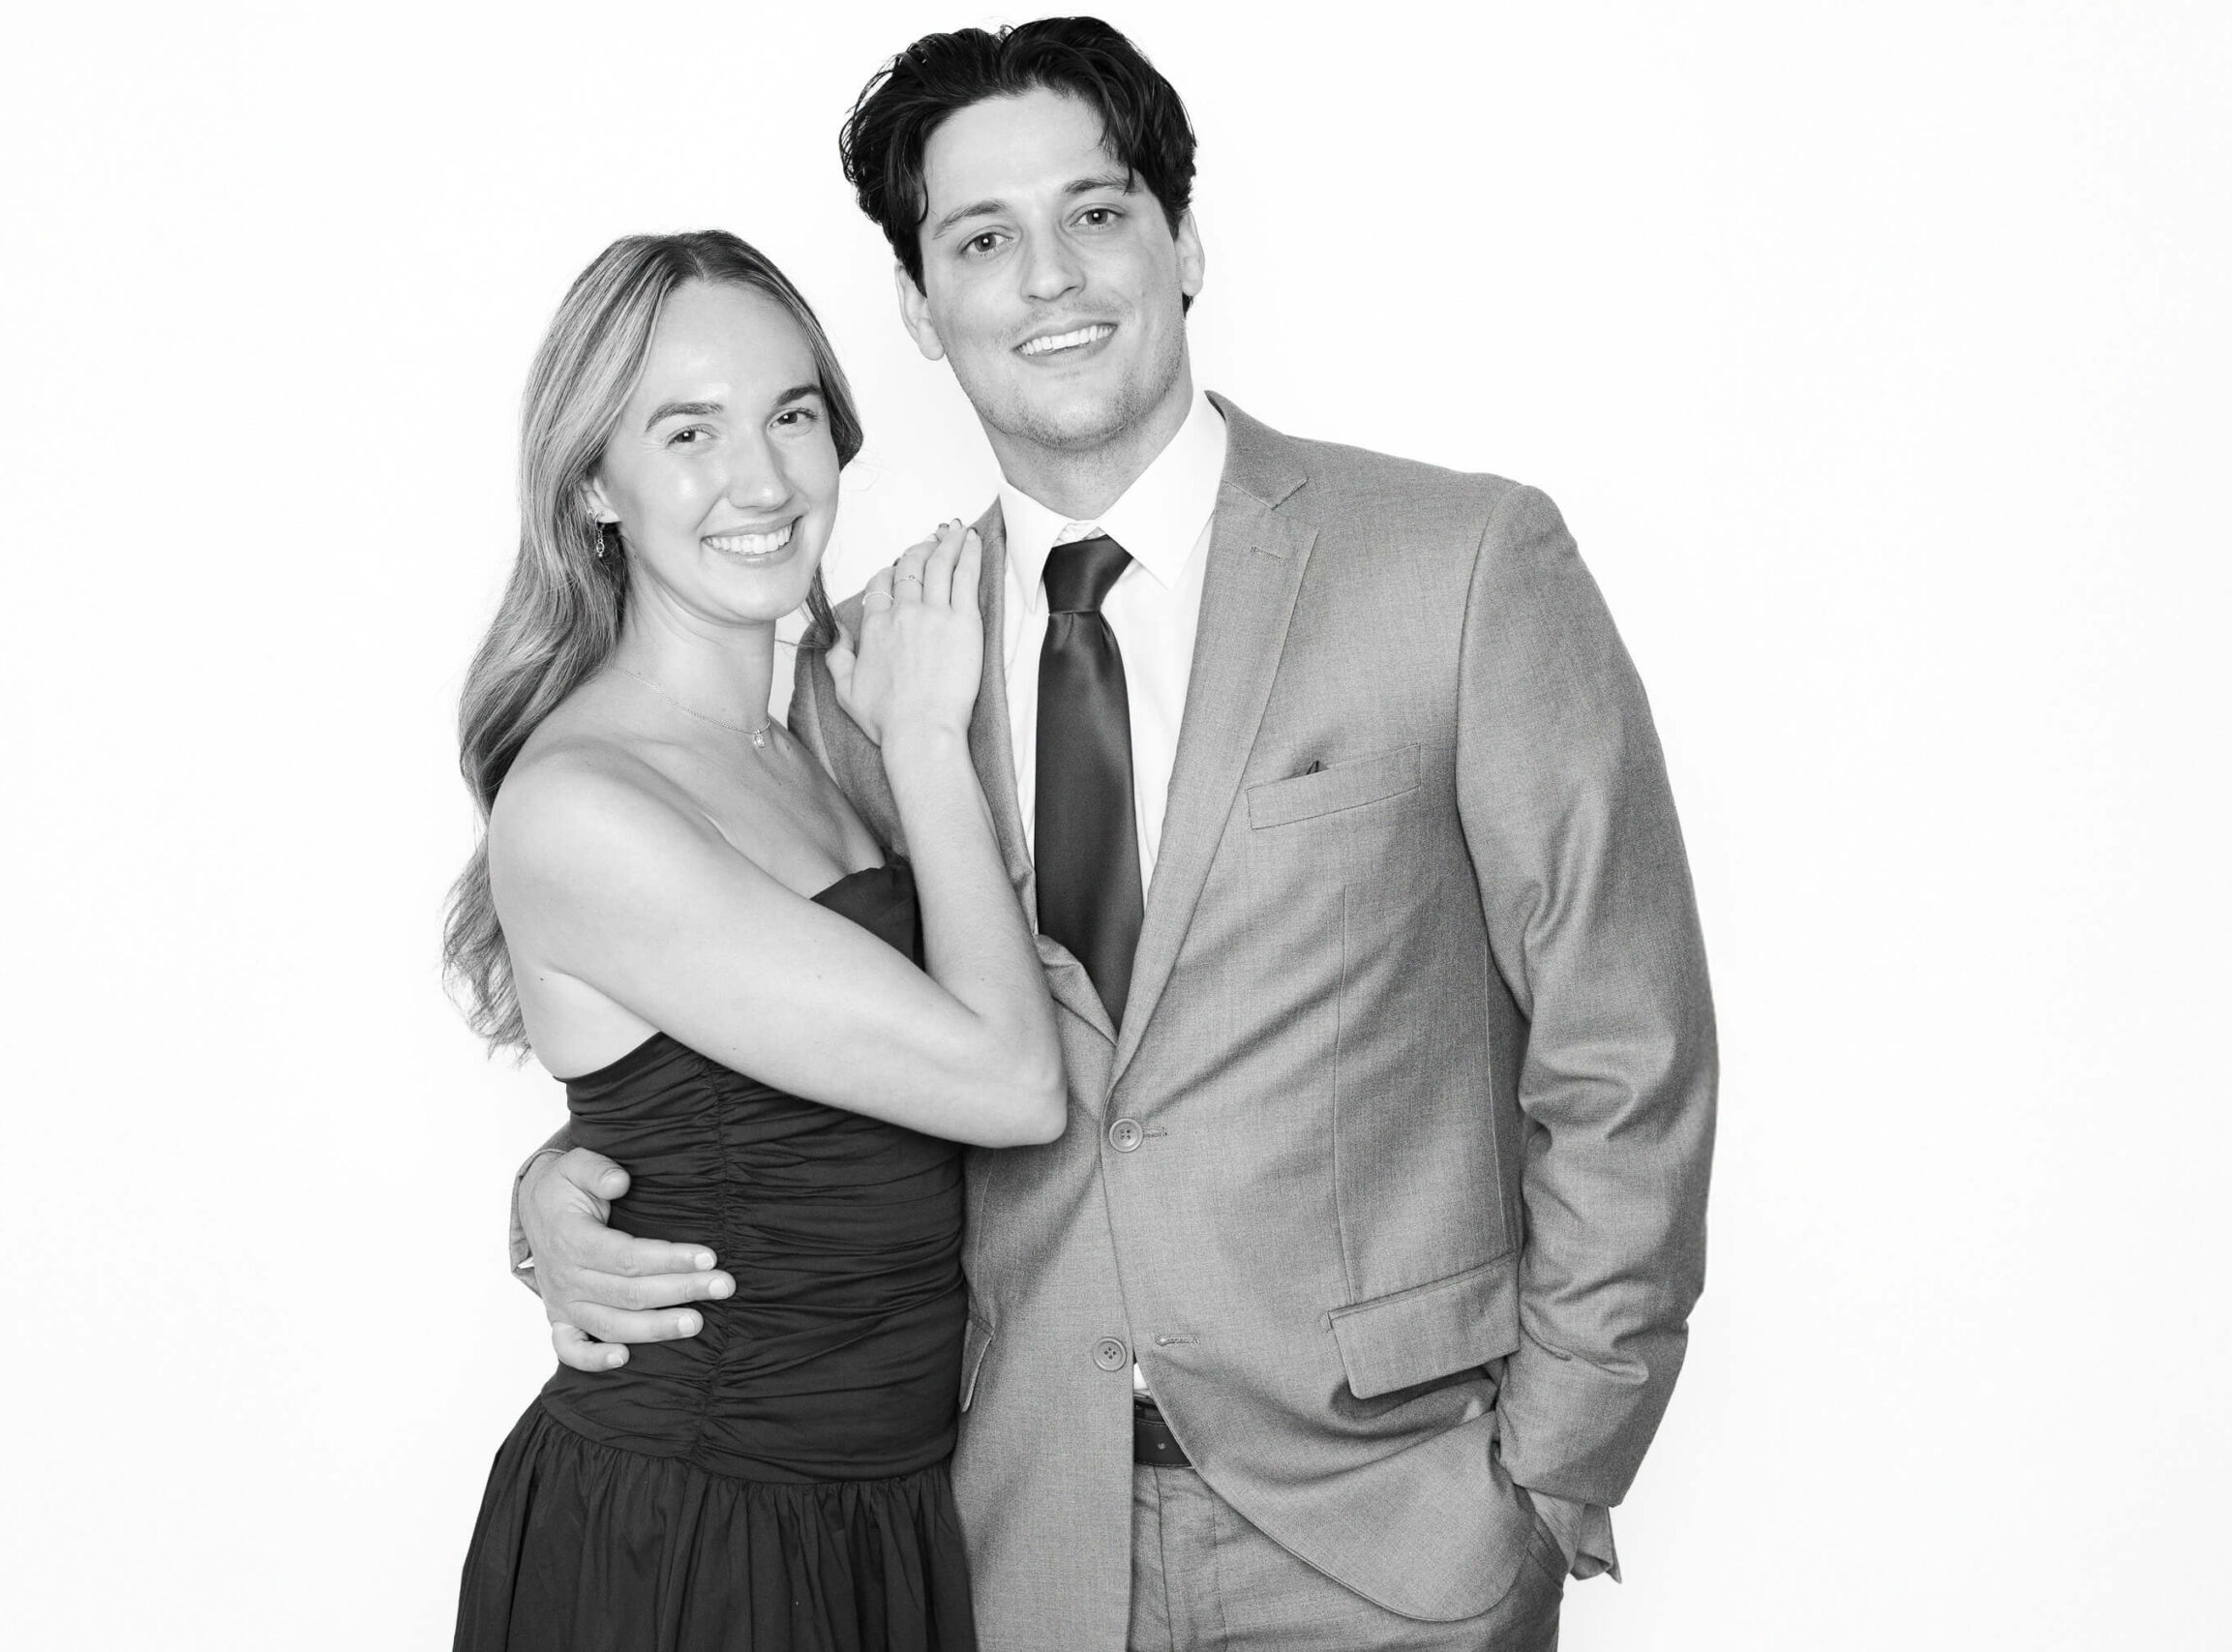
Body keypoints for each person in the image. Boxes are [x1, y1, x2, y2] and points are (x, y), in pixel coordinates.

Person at [517, 20, 1718, 1651]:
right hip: (1011, 1537)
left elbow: (1624, 1044)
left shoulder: (1459, 568)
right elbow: (774, 1058)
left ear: (1184, 241)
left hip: (1391, 1546)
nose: (1049, 281)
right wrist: (562, 1195)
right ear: (921, 311)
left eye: (1096, 214)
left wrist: (1554, 1472)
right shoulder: (866, 677)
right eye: (981, 240)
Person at [445, 228, 1065, 1651]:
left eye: (792, 414)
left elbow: (753, 1114)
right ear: (593, 485)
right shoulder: (586, 806)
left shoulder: (811, 735)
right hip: (700, 1547)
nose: (764, 479)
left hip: (884, 1518)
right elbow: (1008, 1086)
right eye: (687, 430)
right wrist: (922, 738)